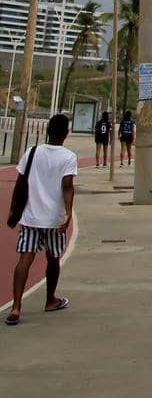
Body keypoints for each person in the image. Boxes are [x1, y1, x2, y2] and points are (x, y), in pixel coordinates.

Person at [6, 112, 76, 325]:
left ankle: (16, 307)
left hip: (31, 216)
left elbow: (20, 181)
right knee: (53, 258)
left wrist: (13, 210)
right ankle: (50, 300)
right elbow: (67, 187)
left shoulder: (32, 151)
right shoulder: (68, 157)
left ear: (47, 131)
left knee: (24, 259)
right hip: (54, 219)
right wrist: (68, 213)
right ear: (66, 133)